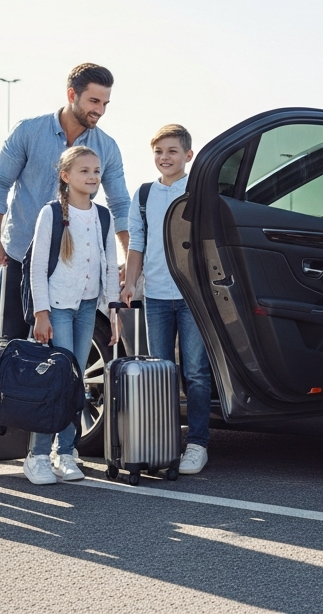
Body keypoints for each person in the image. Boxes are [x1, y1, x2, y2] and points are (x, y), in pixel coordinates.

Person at [0, 63, 130, 339]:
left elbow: (120, 204)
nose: (100, 110)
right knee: (11, 347)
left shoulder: (107, 148)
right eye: (94, 101)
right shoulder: (28, 131)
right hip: (20, 257)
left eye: (105, 103)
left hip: (73, 268)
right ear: (72, 94)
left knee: (62, 354)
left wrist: (129, 259)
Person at [23, 146, 122, 485]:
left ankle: (66, 452)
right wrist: (41, 314)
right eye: (84, 171)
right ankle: (37, 456)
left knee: (76, 381)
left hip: (87, 308)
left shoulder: (102, 216)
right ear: (66, 176)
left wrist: (113, 311)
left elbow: (110, 266)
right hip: (58, 308)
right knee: (58, 380)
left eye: (96, 171)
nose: (92, 176)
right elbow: (37, 268)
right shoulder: (51, 214)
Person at [120, 124, 212, 474]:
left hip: (193, 296)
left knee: (195, 372)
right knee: (161, 372)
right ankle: (164, 441)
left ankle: (198, 443)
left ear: (188, 155)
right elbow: (137, 244)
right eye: (159, 151)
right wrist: (131, 283)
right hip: (157, 296)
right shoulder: (144, 195)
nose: (164, 157)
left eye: (172, 151)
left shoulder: (198, 193)